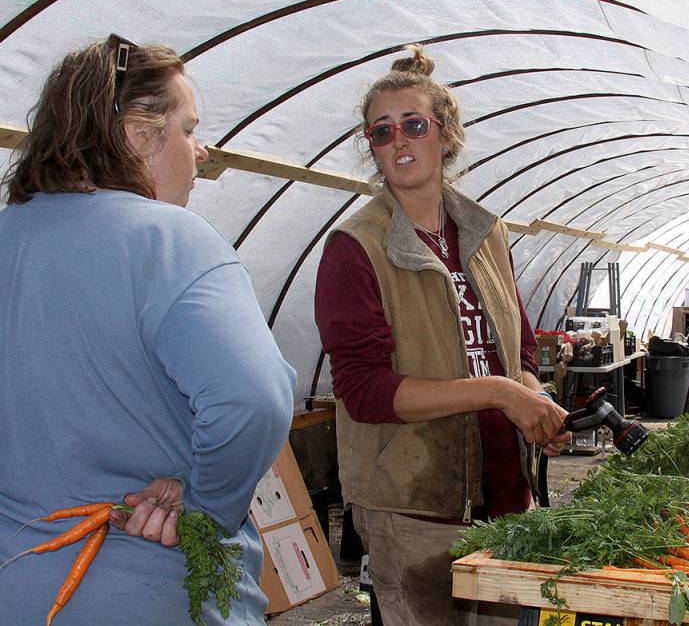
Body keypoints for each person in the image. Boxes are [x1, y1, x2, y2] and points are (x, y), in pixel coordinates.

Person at [0, 35, 295, 624]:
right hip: (152, 589)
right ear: (138, 135)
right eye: (188, 130)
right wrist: (205, 506)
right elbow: (253, 400)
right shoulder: (170, 242)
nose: (200, 151)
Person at [314, 45, 569, 625]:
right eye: (382, 132)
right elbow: (365, 390)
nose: (398, 141)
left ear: (446, 136)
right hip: (417, 508)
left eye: (414, 125)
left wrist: (533, 406)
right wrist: (500, 392)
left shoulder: (483, 230)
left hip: (505, 494)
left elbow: (520, 347)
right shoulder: (356, 247)